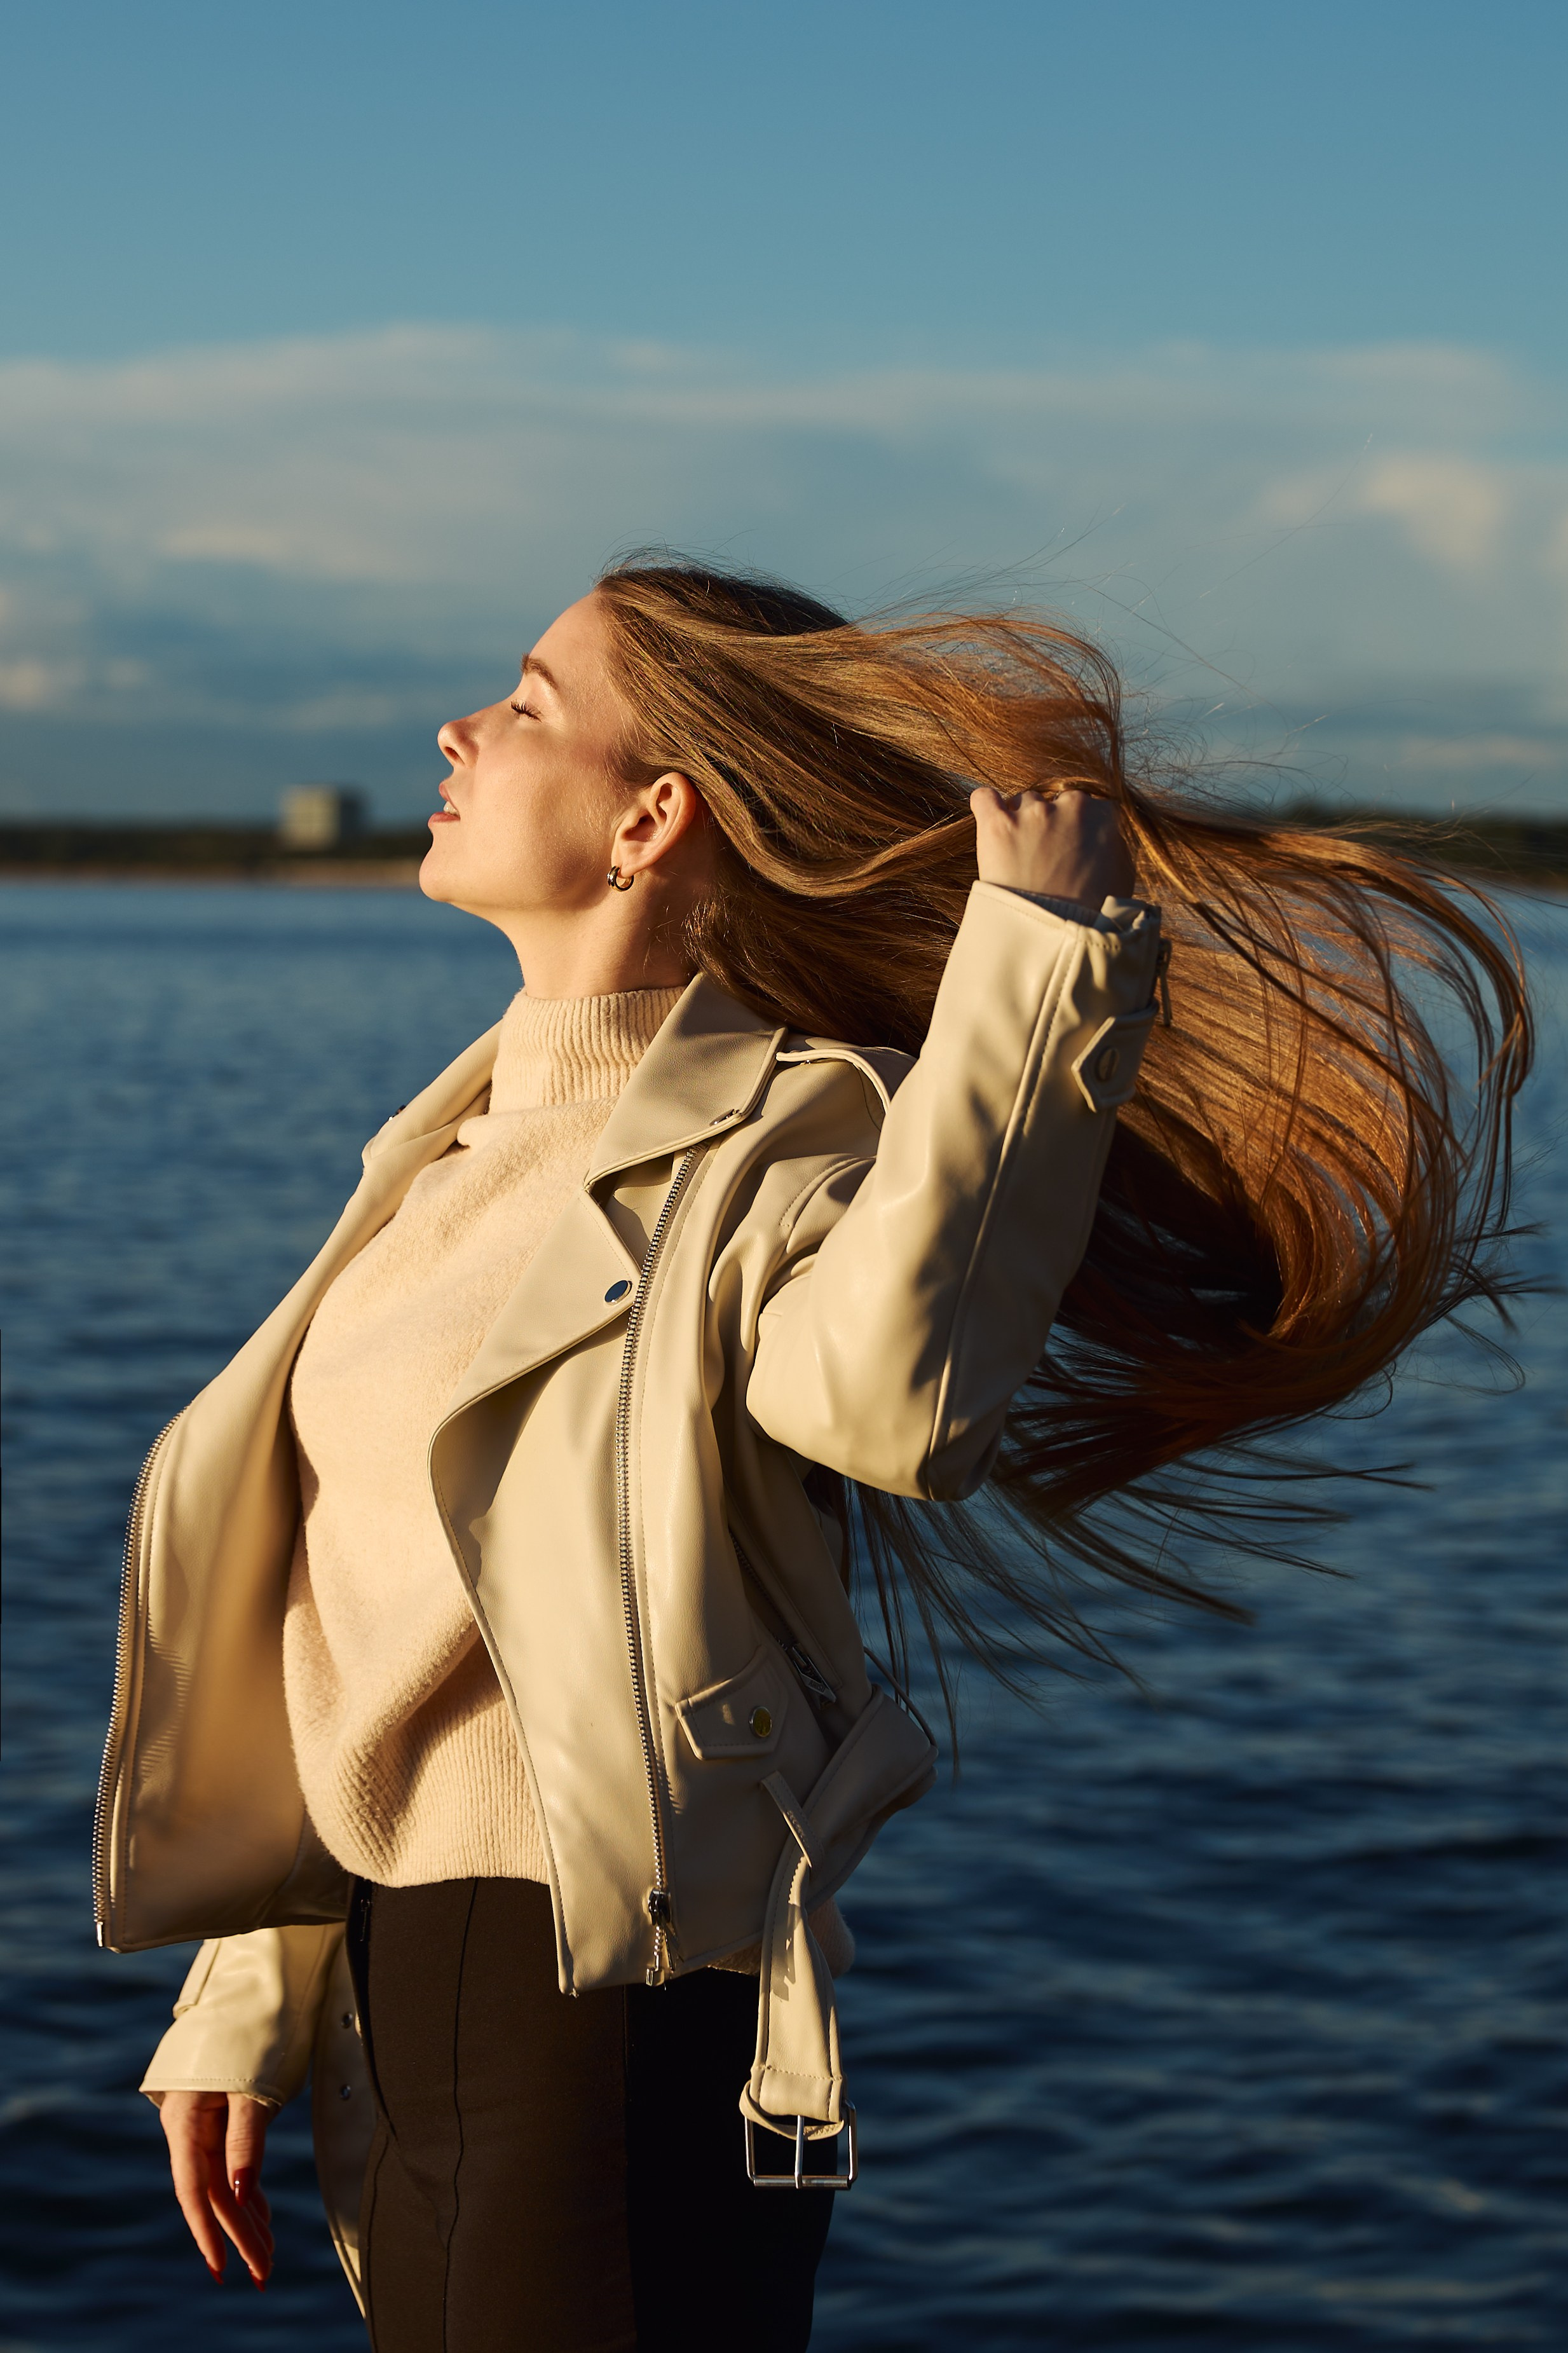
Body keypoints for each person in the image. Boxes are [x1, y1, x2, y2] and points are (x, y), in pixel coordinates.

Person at [96, 560, 1527, 2353]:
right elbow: (358, 1625)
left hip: (609, 2012)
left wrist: (1040, 970)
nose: (456, 732)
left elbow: (894, 1410)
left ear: (652, 818)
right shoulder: (444, 1153)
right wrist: (254, 1979)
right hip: (408, 2008)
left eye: (526, 702)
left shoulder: (795, 1140)